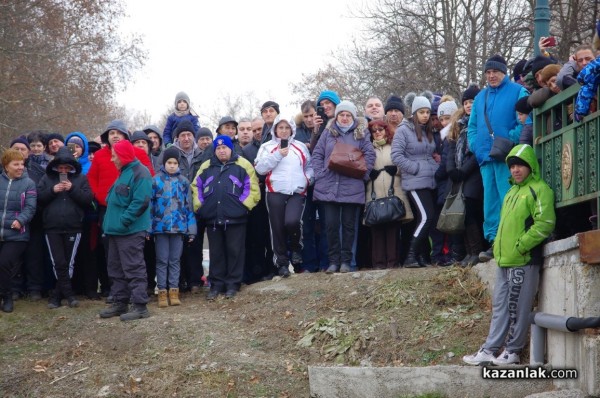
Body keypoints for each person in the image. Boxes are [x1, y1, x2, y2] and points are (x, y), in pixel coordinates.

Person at [463, 144, 555, 365]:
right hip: (504, 261)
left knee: (517, 308)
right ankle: (490, 349)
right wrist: (497, 249)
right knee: (500, 307)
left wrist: (521, 246)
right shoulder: (512, 191)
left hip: (523, 260)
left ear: (530, 166)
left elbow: (545, 223)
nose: (515, 170)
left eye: (520, 165)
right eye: (512, 166)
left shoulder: (539, 189)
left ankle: (512, 351)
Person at [467, 54, 528, 262]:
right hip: (485, 158)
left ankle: (510, 239)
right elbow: (472, 127)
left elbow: (523, 122)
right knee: (490, 203)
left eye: (496, 71)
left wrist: (507, 141)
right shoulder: (479, 97)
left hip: (507, 157)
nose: (492, 75)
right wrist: (476, 146)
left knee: (508, 198)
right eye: (488, 72)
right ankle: (494, 242)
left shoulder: (518, 91)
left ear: (504, 72)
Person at [192, 135, 260, 299]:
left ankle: (232, 285)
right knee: (216, 253)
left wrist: (242, 206)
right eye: (218, 148)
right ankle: (216, 285)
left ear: (230, 149)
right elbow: (196, 187)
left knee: (235, 252)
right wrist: (201, 206)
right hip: (213, 218)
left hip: (236, 218)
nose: (222, 151)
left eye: (225, 148)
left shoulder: (243, 164)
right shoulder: (206, 166)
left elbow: (253, 189)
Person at [312, 100, 375, 273]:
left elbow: (369, 155)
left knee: (349, 226)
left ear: (353, 117)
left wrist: (363, 175)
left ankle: (347, 261)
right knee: (331, 225)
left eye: (348, 115)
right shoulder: (328, 132)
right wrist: (320, 174)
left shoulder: (361, 133)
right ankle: (333, 261)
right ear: (337, 116)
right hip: (328, 184)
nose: (345, 118)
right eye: (342, 114)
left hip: (352, 186)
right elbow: (317, 154)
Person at [99, 140, 153, 321]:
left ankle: (140, 306)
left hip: (129, 231)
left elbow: (142, 202)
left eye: (114, 155)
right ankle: (120, 302)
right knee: (115, 269)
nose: (112, 159)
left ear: (123, 156)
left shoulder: (141, 173)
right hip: (115, 232)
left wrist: (124, 222)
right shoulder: (124, 172)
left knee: (133, 267)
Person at [255, 116, 313, 277]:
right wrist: (278, 155)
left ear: (292, 130)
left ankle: (296, 250)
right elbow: (260, 168)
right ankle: (281, 263)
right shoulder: (267, 147)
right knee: (277, 228)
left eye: (287, 128)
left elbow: (310, 166)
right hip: (275, 191)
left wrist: (308, 180)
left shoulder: (300, 146)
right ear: (275, 129)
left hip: (297, 192)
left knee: (292, 221)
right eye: (280, 128)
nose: (284, 131)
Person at [37, 147, 93, 309]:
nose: (63, 170)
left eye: (66, 167)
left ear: (71, 167)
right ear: (55, 166)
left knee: (68, 262)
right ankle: (69, 295)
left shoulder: (81, 179)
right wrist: (52, 190)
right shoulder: (47, 178)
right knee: (58, 262)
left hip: (74, 227)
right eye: (60, 167)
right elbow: (38, 198)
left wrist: (72, 188)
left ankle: (56, 295)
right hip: (51, 227)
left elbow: (88, 200)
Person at [391, 93, 439, 268]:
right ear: (414, 113)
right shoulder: (403, 130)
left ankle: (421, 257)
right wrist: (415, 169)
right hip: (415, 182)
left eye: (427, 112)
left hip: (430, 180)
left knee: (426, 219)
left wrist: (435, 163)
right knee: (427, 217)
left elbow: (428, 154)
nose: (425, 115)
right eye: (422, 112)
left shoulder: (428, 131)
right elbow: (396, 156)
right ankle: (410, 256)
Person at [150, 146, 197, 308]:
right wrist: (148, 228)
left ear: (178, 164)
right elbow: (150, 206)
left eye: (175, 162)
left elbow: (188, 207)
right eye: (169, 162)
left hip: (179, 228)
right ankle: (162, 292)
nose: (172, 165)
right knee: (162, 260)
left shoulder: (184, 182)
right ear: (164, 163)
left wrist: (191, 229)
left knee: (175, 260)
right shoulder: (155, 180)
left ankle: (174, 291)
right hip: (160, 228)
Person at [366, 120, 413, 269]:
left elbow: (404, 164)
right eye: (374, 130)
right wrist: (368, 173)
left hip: (395, 193)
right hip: (374, 194)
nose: (378, 132)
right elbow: (361, 169)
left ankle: (393, 263)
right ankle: (378, 264)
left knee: (393, 230)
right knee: (377, 231)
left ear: (386, 130)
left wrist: (396, 170)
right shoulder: (367, 149)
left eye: (381, 129)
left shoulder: (394, 147)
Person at [446, 84, 485, 266]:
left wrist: (464, 171)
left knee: (472, 209)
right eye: (466, 102)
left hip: (474, 172)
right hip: (460, 173)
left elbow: (478, 150)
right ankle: (470, 252)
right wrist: (452, 169)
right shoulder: (459, 124)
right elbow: (451, 148)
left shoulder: (481, 121)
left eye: (473, 101)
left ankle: (477, 250)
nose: (469, 105)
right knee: (464, 212)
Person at [0, 149, 37, 313]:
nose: (20, 167)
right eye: (16, 164)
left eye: (22, 164)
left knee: (4, 264)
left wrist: (19, 221)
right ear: (6, 166)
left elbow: (30, 208)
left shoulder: (28, 183)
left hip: (17, 234)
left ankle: (7, 296)